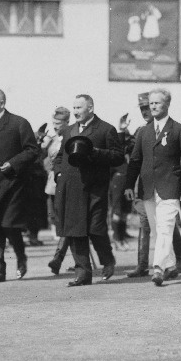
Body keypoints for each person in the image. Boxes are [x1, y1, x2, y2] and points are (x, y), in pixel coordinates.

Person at [125, 88, 181, 286]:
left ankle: (158, 268)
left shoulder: (179, 130)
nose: (153, 106)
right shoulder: (143, 132)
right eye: (151, 103)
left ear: (167, 104)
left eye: (157, 103)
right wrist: (129, 184)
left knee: (165, 228)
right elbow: (135, 160)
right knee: (157, 231)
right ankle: (171, 265)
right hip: (148, 189)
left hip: (170, 188)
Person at [53, 94, 123, 286]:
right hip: (71, 188)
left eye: (79, 108)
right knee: (76, 231)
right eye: (73, 108)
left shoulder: (106, 129)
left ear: (90, 108)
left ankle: (107, 260)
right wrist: (58, 174)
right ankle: (83, 274)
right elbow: (60, 157)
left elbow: (118, 157)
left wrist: (97, 153)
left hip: (95, 189)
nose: (75, 111)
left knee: (96, 229)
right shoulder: (68, 131)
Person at [0, 88, 40, 283]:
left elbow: (32, 150)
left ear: (2, 103)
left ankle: (21, 257)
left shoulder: (18, 123)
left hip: (12, 185)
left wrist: (13, 163)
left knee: (10, 225)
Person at [43, 107, 72, 274]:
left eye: (58, 123)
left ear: (67, 123)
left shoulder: (70, 136)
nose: (55, 126)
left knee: (68, 222)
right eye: (53, 123)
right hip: (53, 185)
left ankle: (58, 258)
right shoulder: (52, 139)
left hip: (66, 184)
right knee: (58, 221)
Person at [109, 113, 133, 251]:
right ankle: (117, 239)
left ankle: (122, 237)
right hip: (118, 181)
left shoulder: (129, 151)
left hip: (127, 181)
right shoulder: (115, 151)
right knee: (117, 211)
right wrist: (121, 131)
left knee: (125, 212)